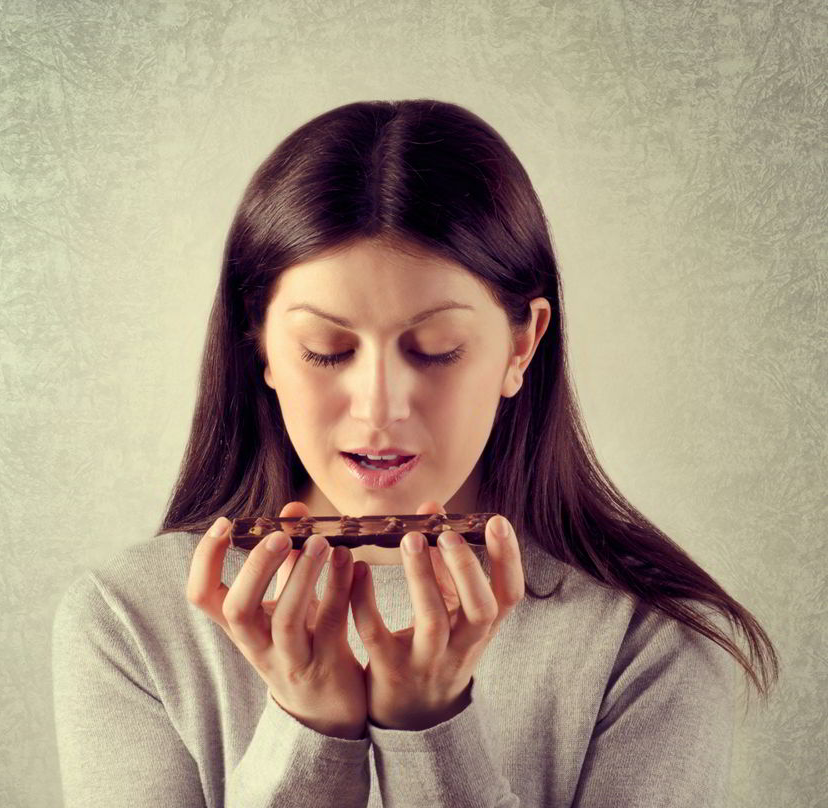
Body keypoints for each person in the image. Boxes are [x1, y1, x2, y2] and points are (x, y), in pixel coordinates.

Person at [51, 99, 779, 807]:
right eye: (326, 351)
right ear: (261, 343)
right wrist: (308, 734)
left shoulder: (647, 641)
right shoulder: (129, 622)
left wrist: (431, 734)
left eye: (436, 351)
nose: (378, 407)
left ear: (521, 343)